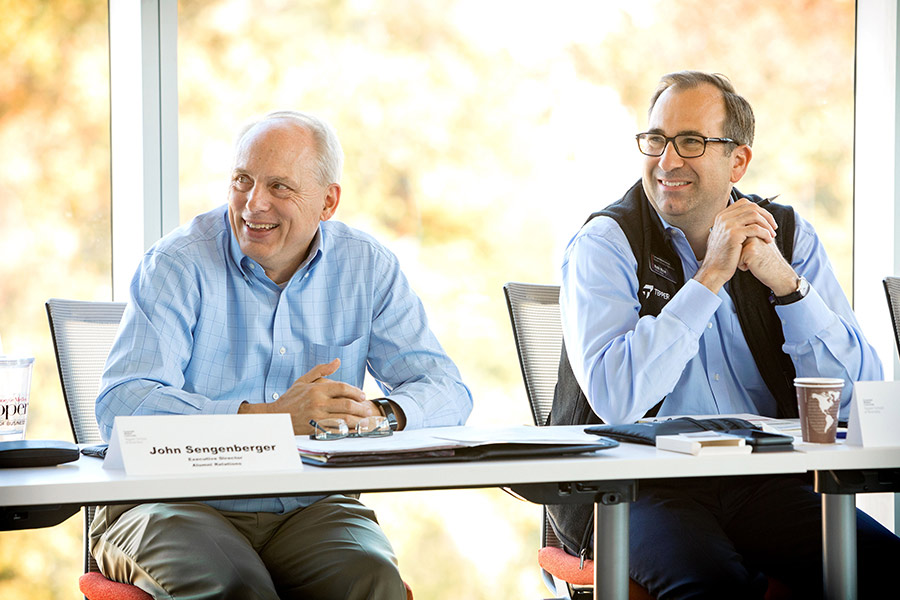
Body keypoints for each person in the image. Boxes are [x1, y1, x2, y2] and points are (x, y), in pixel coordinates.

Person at [92, 110, 473, 600]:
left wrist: (376, 415)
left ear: (328, 201)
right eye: (242, 181)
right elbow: (123, 406)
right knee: (234, 585)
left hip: (309, 505)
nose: (254, 204)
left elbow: (447, 391)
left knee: (369, 580)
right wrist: (269, 419)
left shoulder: (367, 266)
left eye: (278, 186)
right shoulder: (178, 263)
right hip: (171, 502)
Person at [549, 71, 899, 598]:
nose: (667, 160)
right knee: (715, 585)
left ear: (738, 161)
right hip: (635, 487)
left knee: (887, 568)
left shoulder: (787, 234)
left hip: (764, 482)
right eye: (656, 140)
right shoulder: (606, 242)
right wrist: (708, 278)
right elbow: (617, 399)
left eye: (691, 142)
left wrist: (786, 284)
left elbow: (854, 397)